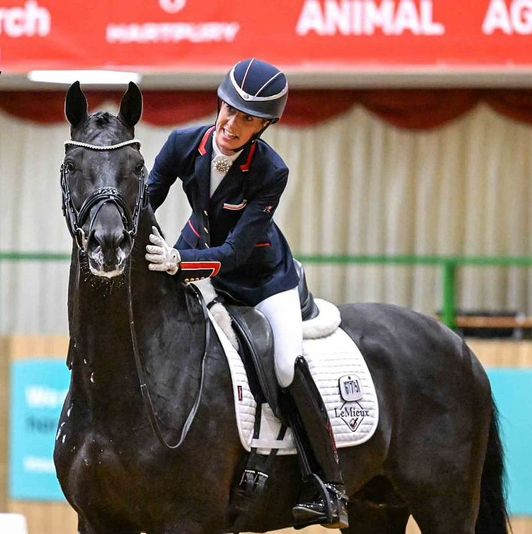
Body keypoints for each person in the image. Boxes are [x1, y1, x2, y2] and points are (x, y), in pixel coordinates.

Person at [144, 58, 348, 529]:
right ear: (219, 103)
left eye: (249, 120)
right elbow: (148, 199)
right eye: (230, 111)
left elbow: (236, 250)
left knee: (284, 363)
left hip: (261, 277)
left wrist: (180, 263)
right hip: (195, 251)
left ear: (263, 126)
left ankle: (327, 483)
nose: (232, 126)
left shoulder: (271, 170)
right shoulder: (180, 144)